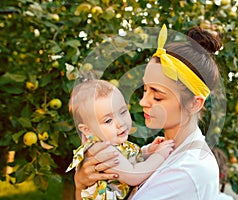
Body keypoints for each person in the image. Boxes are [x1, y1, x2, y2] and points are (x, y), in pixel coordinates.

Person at [74, 24, 223, 199]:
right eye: (145, 89)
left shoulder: (188, 170)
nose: (143, 102)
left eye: (157, 97)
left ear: (194, 104)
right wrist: (81, 185)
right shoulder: (163, 150)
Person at [67, 79, 174, 200]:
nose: (120, 123)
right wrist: (160, 155)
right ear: (88, 130)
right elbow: (134, 175)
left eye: (123, 112)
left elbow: (127, 160)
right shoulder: (101, 151)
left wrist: (148, 151)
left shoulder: (111, 144)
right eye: (108, 120)